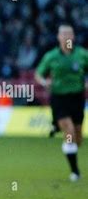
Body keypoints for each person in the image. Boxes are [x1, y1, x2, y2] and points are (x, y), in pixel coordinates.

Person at [35, 24, 88, 182]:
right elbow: (38, 74)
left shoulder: (82, 55)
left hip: (77, 98)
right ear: (58, 37)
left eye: (69, 34)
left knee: (77, 139)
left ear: (73, 37)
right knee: (70, 132)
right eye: (63, 34)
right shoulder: (51, 56)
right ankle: (75, 172)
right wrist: (44, 82)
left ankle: (58, 129)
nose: (66, 37)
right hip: (59, 98)